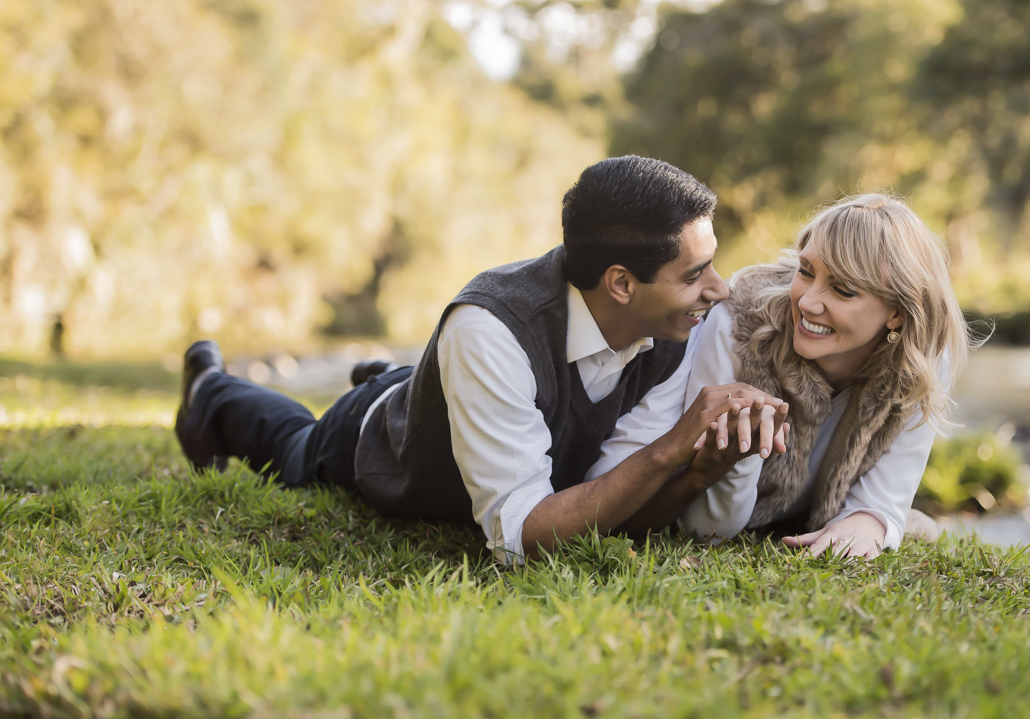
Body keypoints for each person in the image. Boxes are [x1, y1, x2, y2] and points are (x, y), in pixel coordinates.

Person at [174, 156, 790, 563]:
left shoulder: (673, 329)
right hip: (384, 442)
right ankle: (212, 390)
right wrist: (669, 450)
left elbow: (616, 507)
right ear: (621, 283)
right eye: (695, 273)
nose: (721, 288)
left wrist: (701, 467)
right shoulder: (493, 328)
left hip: (479, 396)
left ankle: (400, 383)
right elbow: (519, 540)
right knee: (294, 445)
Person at [676, 193, 975, 559]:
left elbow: (882, 499)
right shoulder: (735, 326)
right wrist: (744, 449)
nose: (806, 302)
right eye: (805, 271)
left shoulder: (922, 360)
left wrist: (869, 522)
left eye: (843, 290)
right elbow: (705, 527)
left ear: (897, 314)